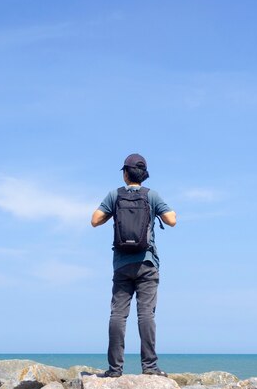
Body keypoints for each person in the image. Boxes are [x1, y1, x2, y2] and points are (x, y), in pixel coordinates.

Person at [91, 153, 177, 378]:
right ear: (143, 174)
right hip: (147, 262)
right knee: (146, 314)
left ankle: (115, 370)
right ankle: (149, 367)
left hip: (121, 264)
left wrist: (114, 214)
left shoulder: (114, 195)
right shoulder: (152, 196)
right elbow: (171, 220)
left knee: (118, 315)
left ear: (125, 173)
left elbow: (94, 220)